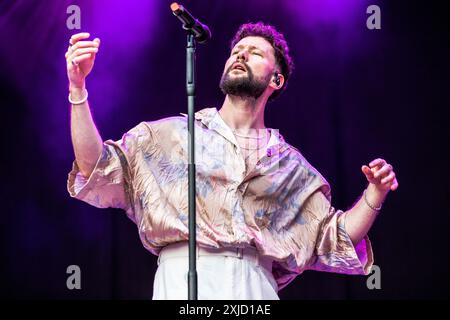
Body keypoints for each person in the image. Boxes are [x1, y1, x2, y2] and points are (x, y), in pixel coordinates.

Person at [66, 22, 398, 300]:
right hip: (182, 281)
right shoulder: (168, 136)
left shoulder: (291, 168)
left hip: (255, 286)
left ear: (276, 80)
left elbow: (334, 238)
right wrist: (78, 89)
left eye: (255, 53)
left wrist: (374, 194)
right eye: (236, 51)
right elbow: (96, 167)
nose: (240, 54)